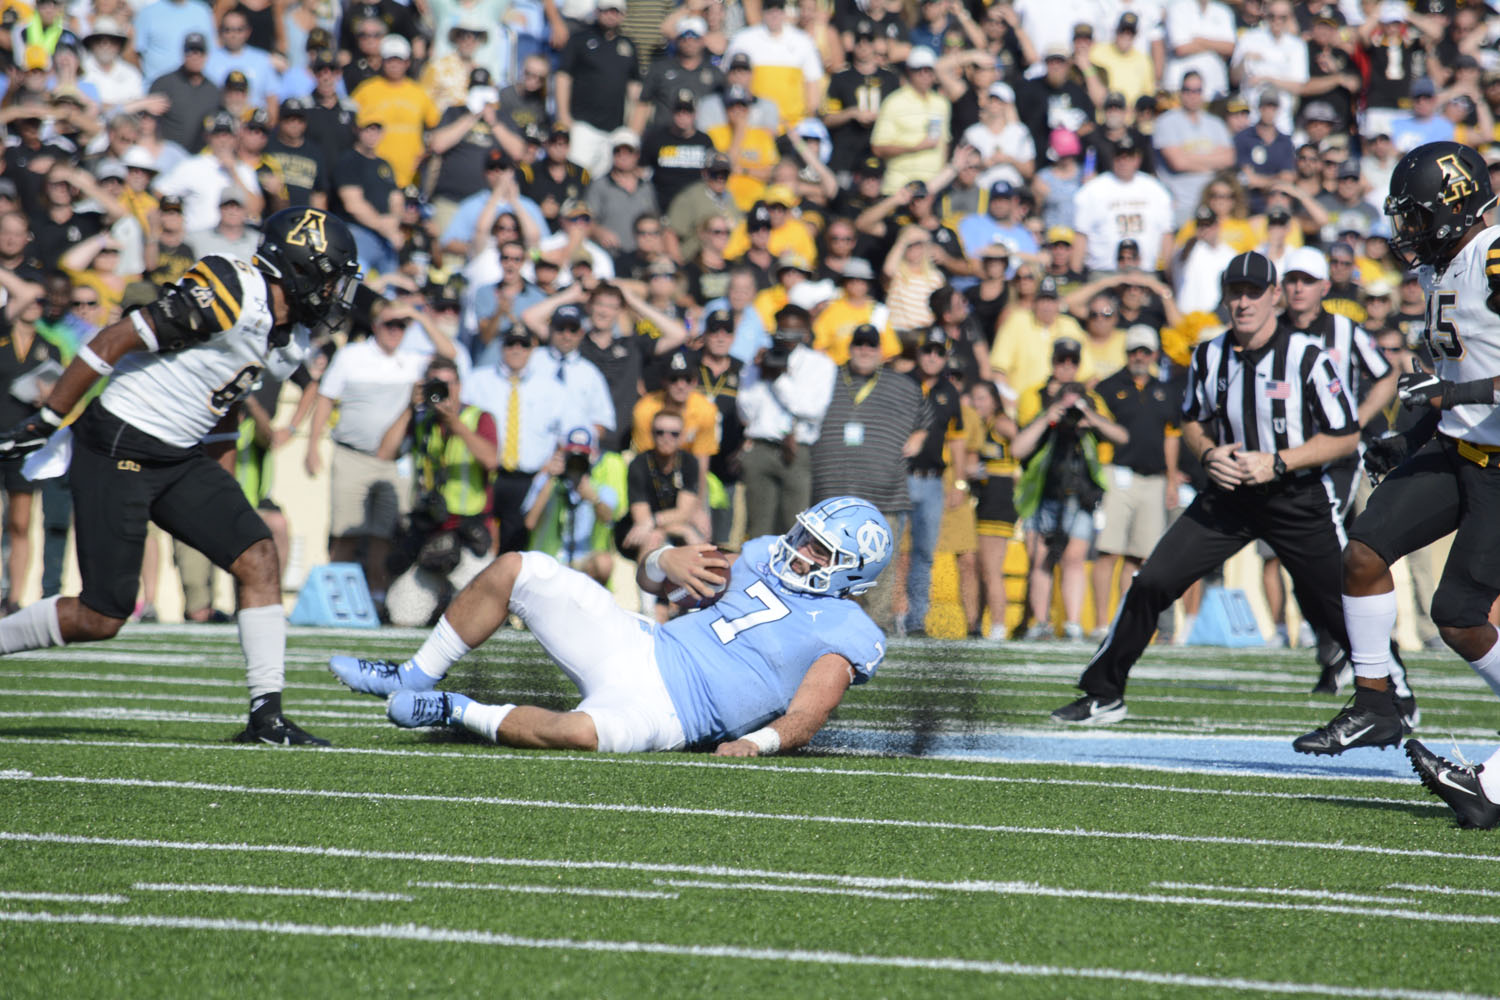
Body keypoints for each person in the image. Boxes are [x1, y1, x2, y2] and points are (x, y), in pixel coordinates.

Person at [0, 206, 360, 745]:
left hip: (179, 455)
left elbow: (226, 404)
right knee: (102, 615)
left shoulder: (292, 339)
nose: (335, 293)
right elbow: (115, 338)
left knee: (258, 555)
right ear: (301, 270)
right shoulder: (234, 290)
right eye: (330, 278)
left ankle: (266, 717)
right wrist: (50, 418)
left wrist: (224, 487)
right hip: (118, 442)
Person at [327, 495, 893, 756]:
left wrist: (756, 744)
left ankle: (455, 710)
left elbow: (807, 716)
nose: (798, 552)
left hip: (675, 713)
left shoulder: (845, 632)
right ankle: (414, 676)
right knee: (522, 569)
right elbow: (657, 582)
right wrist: (661, 560)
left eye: (818, 552)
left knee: (582, 734)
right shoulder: (760, 552)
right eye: (805, 538)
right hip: (641, 642)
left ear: (851, 573)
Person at [1051, 251, 1358, 724]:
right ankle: (1105, 691)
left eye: (1254, 292)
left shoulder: (1307, 356)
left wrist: (1278, 462)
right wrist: (1210, 454)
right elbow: (1192, 421)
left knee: (1342, 603)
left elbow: (1346, 434)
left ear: (1274, 296)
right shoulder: (1208, 353)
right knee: (1151, 580)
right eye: (1236, 292)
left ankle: (1393, 696)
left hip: (1295, 496)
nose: (1244, 302)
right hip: (1229, 496)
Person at [1306, 143, 1500, 824]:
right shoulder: (1439, 267)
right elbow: (1445, 379)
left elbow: (1466, 386)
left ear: (1452, 207)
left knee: (1459, 614)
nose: (1406, 230)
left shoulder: (1495, 256)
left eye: (1416, 215)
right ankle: (1376, 700)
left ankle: (1491, 791)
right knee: (1362, 554)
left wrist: (1456, 397)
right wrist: (1408, 437)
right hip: (1459, 449)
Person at [810, 323, 926, 631]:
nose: (864, 350)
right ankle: (829, 623)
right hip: (830, 492)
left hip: (884, 493)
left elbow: (930, 417)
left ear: (880, 350)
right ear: (850, 348)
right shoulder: (826, 377)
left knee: (879, 564)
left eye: (871, 345)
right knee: (828, 561)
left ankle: (877, 627)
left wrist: (921, 435)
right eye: (859, 343)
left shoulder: (902, 385)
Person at [1012, 336, 1129, 641]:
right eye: (1061, 361)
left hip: (1080, 492)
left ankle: (1073, 622)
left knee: (1074, 559)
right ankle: (1040, 622)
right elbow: (1018, 446)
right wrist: (1049, 416)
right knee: (1041, 557)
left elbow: (1120, 435)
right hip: (1043, 490)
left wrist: (1087, 415)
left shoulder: (1090, 399)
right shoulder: (1033, 395)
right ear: (1053, 362)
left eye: (1072, 362)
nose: (1066, 367)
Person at [1090, 326, 1178, 633]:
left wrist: (1171, 479)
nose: (1139, 357)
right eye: (1134, 351)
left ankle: (1122, 622)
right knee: (1108, 550)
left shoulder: (1165, 390)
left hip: (1153, 479)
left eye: (1145, 351)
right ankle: (1101, 621)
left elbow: (1171, 436)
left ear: (1155, 354)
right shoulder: (1108, 386)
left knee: (1139, 556)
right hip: (1117, 474)